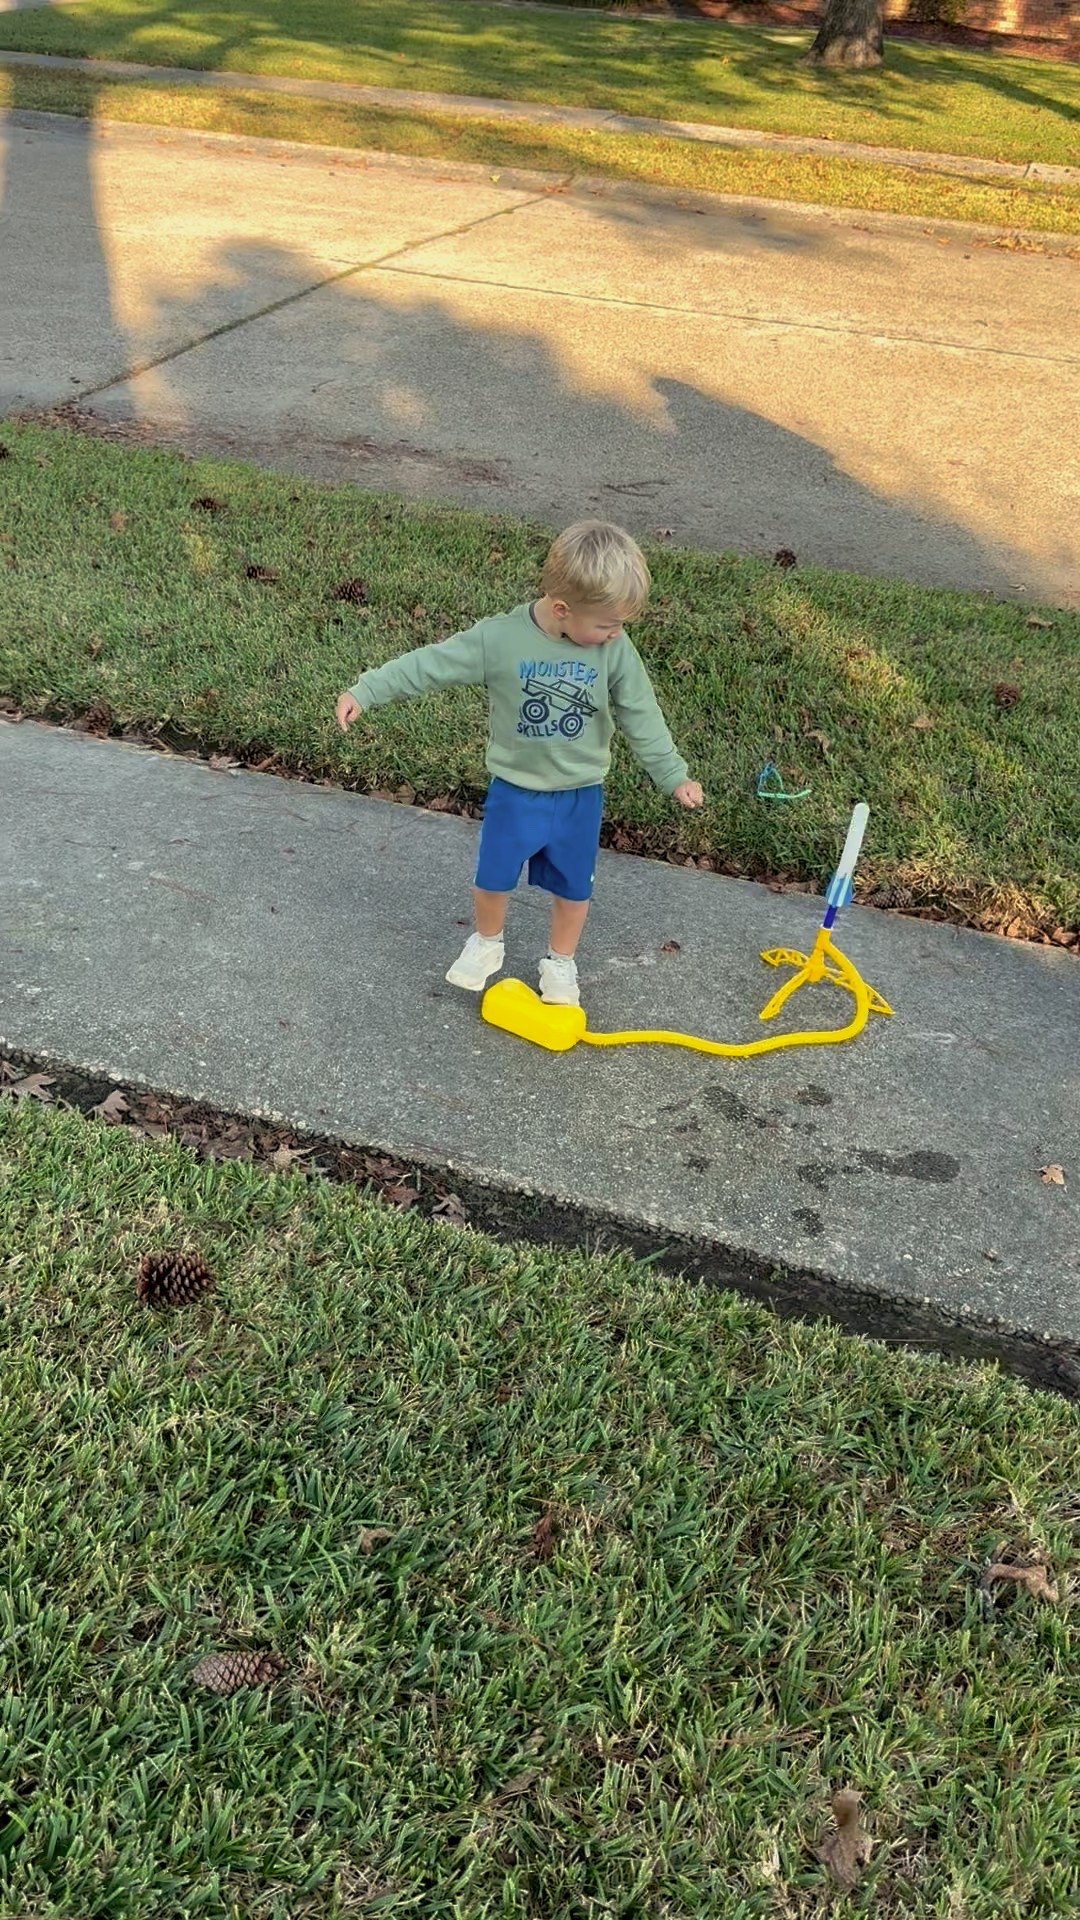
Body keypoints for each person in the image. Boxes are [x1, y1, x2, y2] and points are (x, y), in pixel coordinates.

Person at [335, 520, 703, 1007]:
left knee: (574, 890)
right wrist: (368, 689)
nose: (616, 634)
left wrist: (672, 773)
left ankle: (560, 963)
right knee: (493, 876)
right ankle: (486, 944)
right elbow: (431, 664)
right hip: (516, 790)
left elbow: (640, 712)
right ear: (561, 609)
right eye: (607, 624)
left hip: (579, 794)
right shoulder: (500, 640)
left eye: (620, 625)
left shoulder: (615, 649)